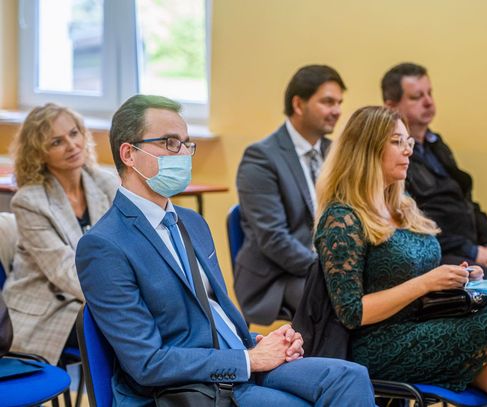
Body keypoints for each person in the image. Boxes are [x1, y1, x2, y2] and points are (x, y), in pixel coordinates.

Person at [76, 94, 375, 407]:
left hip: (235, 362)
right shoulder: (104, 245)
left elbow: (213, 312)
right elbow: (148, 363)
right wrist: (248, 360)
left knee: (350, 377)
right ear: (129, 154)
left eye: (186, 143)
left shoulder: (192, 222)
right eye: (169, 143)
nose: (183, 153)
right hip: (183, 389)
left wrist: (262, 344)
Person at [314, 105, 487, 406]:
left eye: (408, 142)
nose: (408, 150)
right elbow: (352, 313)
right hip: (381, 343)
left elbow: (415, 272)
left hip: (427, 323)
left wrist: (456, 277)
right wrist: (426, 283)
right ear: (366, 150)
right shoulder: (342, 218)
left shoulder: (402, 204)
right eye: (397, 142)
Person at [381, 62, 487, 299]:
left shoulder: (437, 144)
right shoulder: (393, 159)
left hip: (476, 245)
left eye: (429, 93)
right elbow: (413, 221)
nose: (428, 102)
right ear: (391, 106)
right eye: (416, 97)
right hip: (443, 252)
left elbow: (466, 202)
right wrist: (474, 251)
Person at [2, 103, 118, 365]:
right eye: (57, 142)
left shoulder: (107, 183)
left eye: (74, 133)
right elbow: (64, 270)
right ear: (38, 154)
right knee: (127, 328)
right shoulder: (29, 201)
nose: (71, 145)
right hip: (47, 310)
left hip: (95, 299)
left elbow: (129, 246)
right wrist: (122, 297)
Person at [236, 65, 346, 325]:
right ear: (298, 104)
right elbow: (274, 239)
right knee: (341, 304)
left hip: (326, 268)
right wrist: (329, 270)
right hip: (277, 277)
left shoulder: (336, 153)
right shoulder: (261, 158)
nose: (337, 111)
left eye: (339, 103)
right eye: (328, 102)